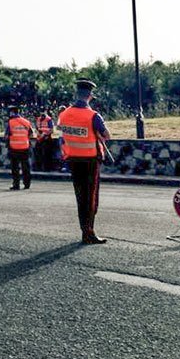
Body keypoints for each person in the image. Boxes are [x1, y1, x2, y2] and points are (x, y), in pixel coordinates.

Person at [58, 79, 111, 244]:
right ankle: (88, 233)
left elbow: (62, 134)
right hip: (90, 161)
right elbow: (106, 135)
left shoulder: (64, 114)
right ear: (90, 95)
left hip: (72, 159)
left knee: (80, 196)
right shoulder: (93, 115)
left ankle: (85, 230)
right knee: (91, 198)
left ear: (77, 93)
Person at [5, 106, 34, 190]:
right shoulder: (26, 122)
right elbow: (31, 134)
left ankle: (16, 185)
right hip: (25, 147)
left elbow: (6, 136)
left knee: (15, 168)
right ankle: (27, 184)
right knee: (26, 167)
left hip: (14, 148)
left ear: (12, 112)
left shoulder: (10, 122)